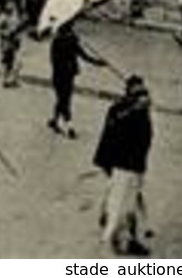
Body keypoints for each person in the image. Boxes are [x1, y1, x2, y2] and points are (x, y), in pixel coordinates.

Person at [93, 75, 153, 255]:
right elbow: (116, 127)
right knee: (124, 205)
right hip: (125, 165)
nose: (144, 97)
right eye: (139, 94)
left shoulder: (135, 112)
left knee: (122, 199)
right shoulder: (124, 112)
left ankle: (114, 226)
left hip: (129, 165)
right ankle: (119, 242)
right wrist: (135, 108)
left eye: (144, 93)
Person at [49, 20, 104, 138]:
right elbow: (84, 56)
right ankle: (69, 128)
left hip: (59, 75)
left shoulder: (57, 42)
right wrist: (97, 62)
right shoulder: (71, 41)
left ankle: (55, 120)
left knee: (62, 99)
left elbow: (53, 61)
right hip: (66, 75)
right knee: (64, 100)